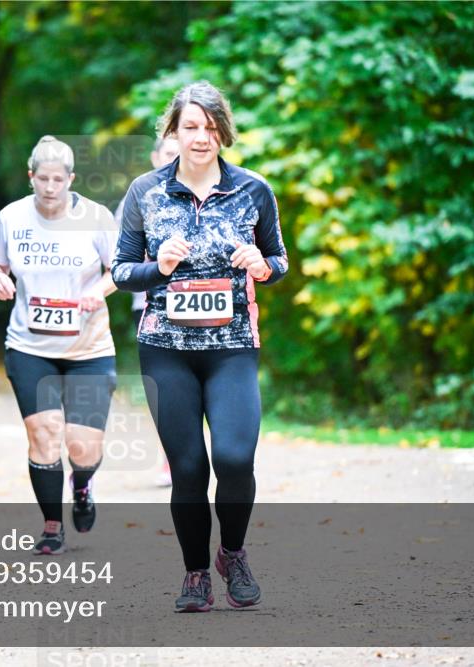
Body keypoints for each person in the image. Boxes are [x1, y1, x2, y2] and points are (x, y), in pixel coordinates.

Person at [111, 82, 288, 612]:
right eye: (191, 126)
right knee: (188, 468)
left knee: (234, 458)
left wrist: (262, 266)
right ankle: (194, 575)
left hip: (232, 344)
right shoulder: (146, 191)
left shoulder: (253, 189)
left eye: (211, 127)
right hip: (165, 347)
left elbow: (278, 259)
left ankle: (231, 553)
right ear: (174, 131)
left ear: (223, 131)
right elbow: (121, 271)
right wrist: (158, 266)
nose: (201, 137)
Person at [0, 136, 118, 555]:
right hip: (28, 346)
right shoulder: (11, 217)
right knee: (43, 435)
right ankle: (52, 525)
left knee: (81, 446)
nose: (51, 186)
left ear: (71, 179)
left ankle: (82, 485)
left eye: (59, 179)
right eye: (43, 178)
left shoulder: (96, 218)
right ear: (31, 177)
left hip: (89, 349)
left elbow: (120, 270)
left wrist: (100, 290)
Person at [117, 135, 180, 489]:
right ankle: (170, 461)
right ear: (155, 156)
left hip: (198, 303)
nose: (174, 160)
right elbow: (116, 257)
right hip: (151, 304)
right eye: (168, 154)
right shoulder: (137, 196)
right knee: (165, 387)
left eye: (178, 153)